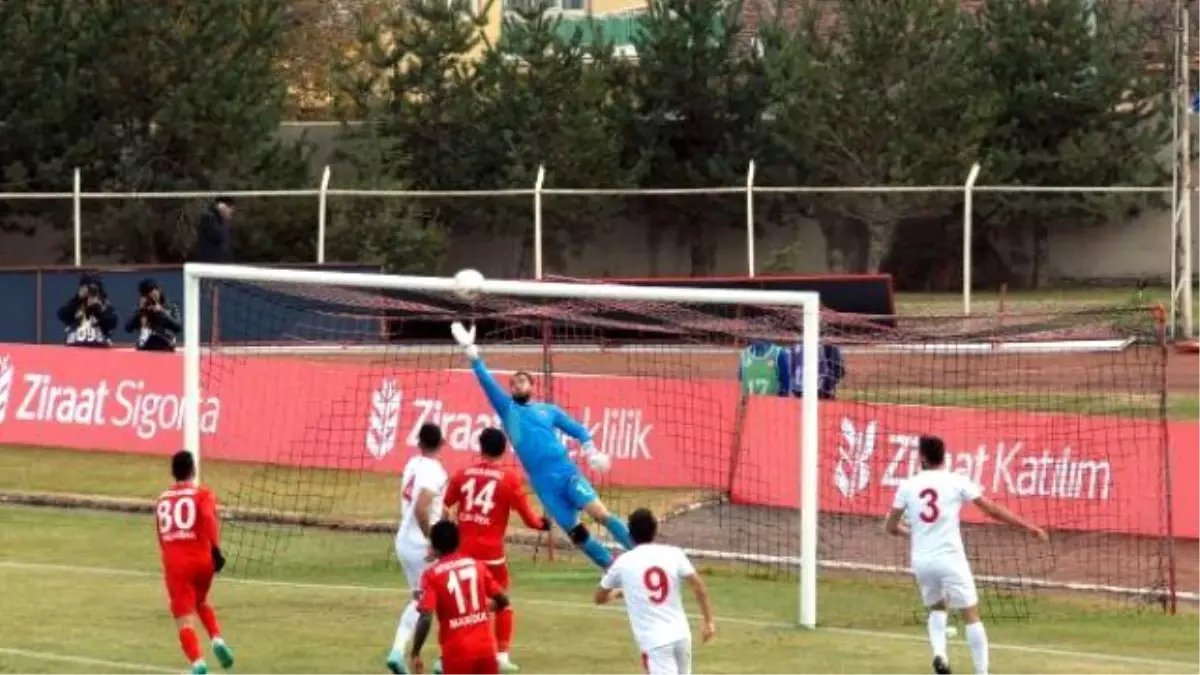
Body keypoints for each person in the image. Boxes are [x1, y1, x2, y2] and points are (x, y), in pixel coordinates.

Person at [449, 321, 634, 569]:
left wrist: (591, 450)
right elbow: (486, 382)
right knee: (576, 534)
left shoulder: (549, 411)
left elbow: (578, 429)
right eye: (513, 383)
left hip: (567, 474)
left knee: (600, 514)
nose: (516, 384)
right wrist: (472, 355)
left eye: (522, 381)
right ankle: (611, 568)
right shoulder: (508, 410)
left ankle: (640, 552)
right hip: (544, 485)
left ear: (532, 386)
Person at [884, 436, 1048, 675]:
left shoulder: (907, 486)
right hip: (951, 559)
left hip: (922, 560)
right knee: (971, 615)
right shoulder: (956, 481)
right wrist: (1028, 527)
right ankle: (981, 672)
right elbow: (991, 510)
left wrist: (915, 533)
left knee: (937, 608)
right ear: (943, 456)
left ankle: (940, 654)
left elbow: (890, 527)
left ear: (921, 457)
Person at [445, 427, 552, 672]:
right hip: (491, 554)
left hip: (462, 551)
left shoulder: (462, 474)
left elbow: (444, 504)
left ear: (480, 448)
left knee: (462, 602)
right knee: (502, 601)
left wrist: (451, 525)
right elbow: (529, 519)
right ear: (504, 450)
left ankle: (456, 651)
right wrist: (542, 524)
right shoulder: (510, 479)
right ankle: (501, 654)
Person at [595, 508, 716, 675]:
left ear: (629, 534)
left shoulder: (624, 563)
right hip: (681, 635)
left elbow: (599, 597)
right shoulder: (674, 554)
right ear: (656, 529)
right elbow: (699, 586)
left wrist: (617, 592)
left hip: (655, 642)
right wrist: (708, 622)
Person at [155, 450, 234, 675]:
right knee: (200, 601)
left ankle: (198, 664)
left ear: (173, 472)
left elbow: (161, 534)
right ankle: (217, 640)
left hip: (177, 563)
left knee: (183, 620)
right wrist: (216, 550)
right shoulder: (204, 495)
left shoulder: (162, 500)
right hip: (202, 561)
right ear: (193, 470)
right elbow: (209, 518)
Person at [410, 520, 510, 675]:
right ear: (458, 542)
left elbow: (425, 617)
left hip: (457, 652)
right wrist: (481, 608)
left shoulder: (431, 575)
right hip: (486, 649)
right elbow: (503, 600)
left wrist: (415, 652)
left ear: (434, 547)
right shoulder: (477, 565)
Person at [388, 424, 450, 675]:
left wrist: (443, 509)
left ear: (419, 443)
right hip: (422, 545)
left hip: (404, 541)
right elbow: (421, 508)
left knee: (419, 600)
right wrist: (433, 541)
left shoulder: (412, 464)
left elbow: (422, 501)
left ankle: (396, 652)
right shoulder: (437, 471)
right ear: (442, 442)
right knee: (446, 599)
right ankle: (444, 660)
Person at [57, 272, 118, 347]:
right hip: (75, 347)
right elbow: (61, 315)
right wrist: (77, 298)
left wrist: (98, 309)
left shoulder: (105, 305)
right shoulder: (75, 304)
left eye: (94, 290)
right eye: (88, 289)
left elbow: (112, 323)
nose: (90, 293)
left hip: (100, 348)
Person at [126, 278, 183, 352]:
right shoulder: (142, 309)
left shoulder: (171, 306)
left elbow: (178, 327)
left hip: (166, 345)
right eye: (149, 293)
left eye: (155, 290)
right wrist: (140, 311)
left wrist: (162, 312)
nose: (153, 295)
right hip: (145, 347)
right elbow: (128, 328)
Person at [194, 197, 235, 263]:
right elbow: (219, 235)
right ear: (222, 207)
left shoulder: (223, 222)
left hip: (223, 265)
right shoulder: (209, 218)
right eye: (231, 208)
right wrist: (217, 211)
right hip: (212, 265)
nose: (232, 211)